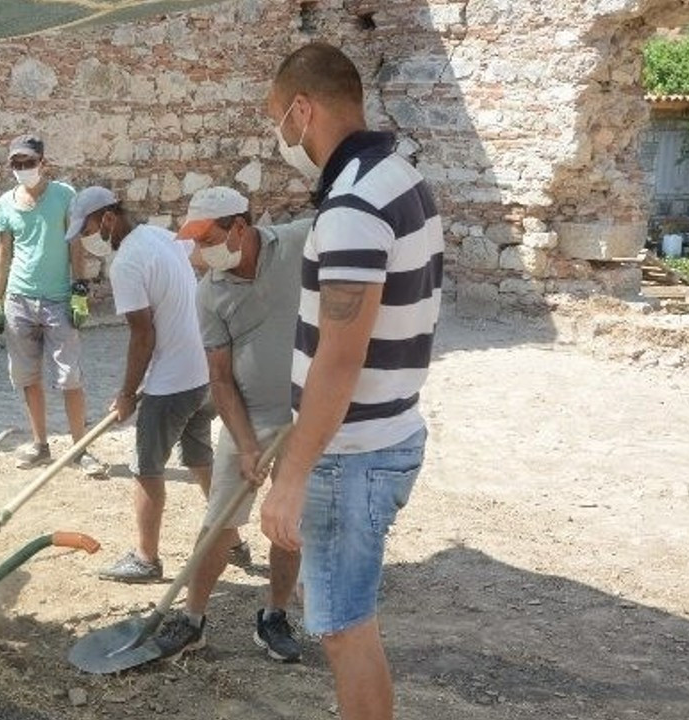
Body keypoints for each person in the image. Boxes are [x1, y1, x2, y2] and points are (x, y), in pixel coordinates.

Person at [259, 43, 444, 720]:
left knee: (342, 627)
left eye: (278, 118)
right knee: (342, 612)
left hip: (353, 454)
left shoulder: (352, 207)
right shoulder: (399, 176)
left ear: (303, 111)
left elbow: (340, 358)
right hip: (383, 431)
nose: (279, 136)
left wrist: (295, 473)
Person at [149, 186, 313, 661]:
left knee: (289, 524)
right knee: (220, 518)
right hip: (253, 415)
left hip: (308, 413)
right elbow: (219, 380)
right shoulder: (210, 294)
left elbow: (350, 239)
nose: (200, 252)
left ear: (239, 227)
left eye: (208, 238)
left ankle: (274, 617)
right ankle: (193, 619)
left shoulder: (298, 241)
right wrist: (244, 445)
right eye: (194, 241)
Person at [64, 186, 214, 583]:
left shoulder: (126, 262)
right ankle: (228, 536)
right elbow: (191, 268)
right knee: (199, 455)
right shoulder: (161, 236)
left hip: (171, 380)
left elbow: (142, 336)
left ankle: (146, 559)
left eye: (87, 229)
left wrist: (127, 394)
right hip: (200, 370)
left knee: (146, 467)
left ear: (108, 219)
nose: (86, 239)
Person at [0, 134, 106, 477]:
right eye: (16, 164)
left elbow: (76, 246)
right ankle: (41, 445)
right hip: (19, 300)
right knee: (28, 376)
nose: (22, 169)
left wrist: (80, 290)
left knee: (69, 377)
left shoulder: (64, 196)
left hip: (57, 300)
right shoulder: (6, 203)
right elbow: (3, 254)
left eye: (28, 163)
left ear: (43, 164)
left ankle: (80, 450)